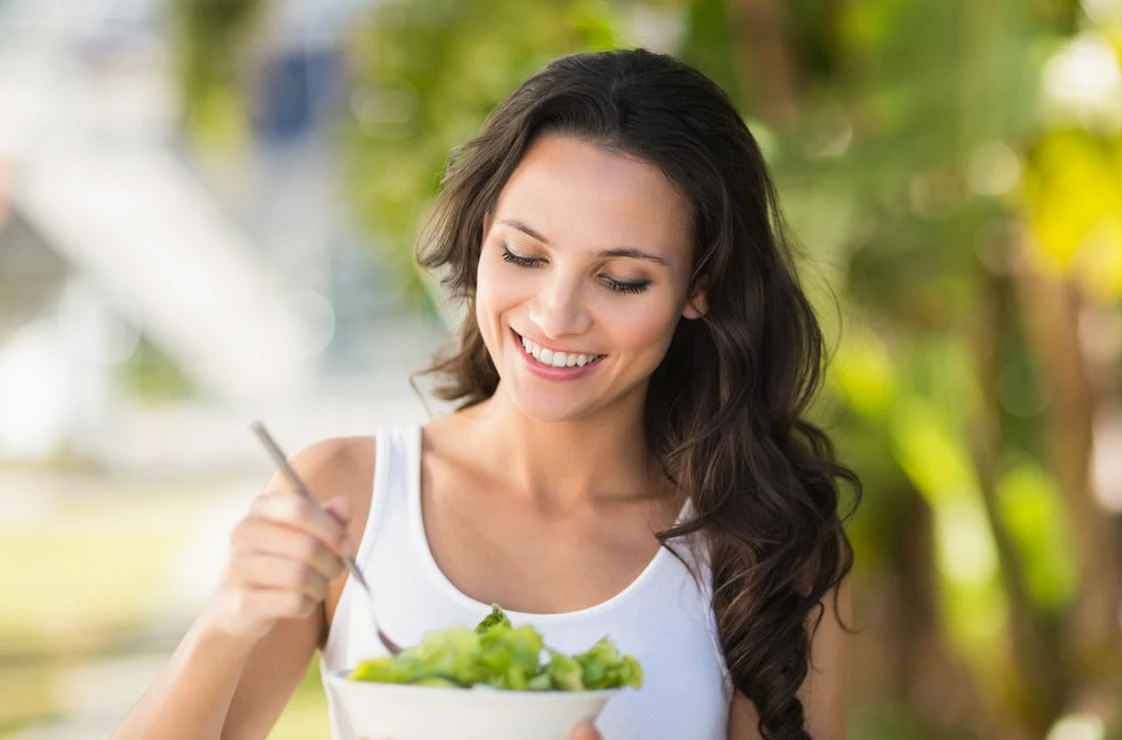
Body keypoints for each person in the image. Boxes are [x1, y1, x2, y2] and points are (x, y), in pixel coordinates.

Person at [110, 47, 859, 740]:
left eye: (621, 278)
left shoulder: (771, 548)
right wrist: (226, 620)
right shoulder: (349, 496)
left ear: (700, 286)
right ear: (480, 237)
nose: (555, 313)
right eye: (523, 254)